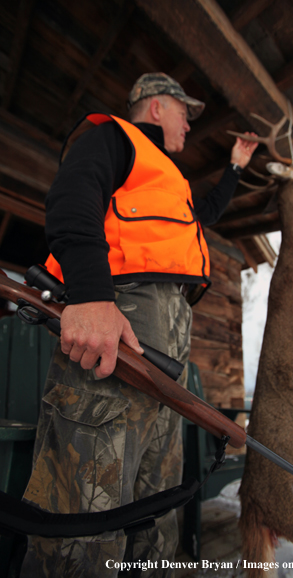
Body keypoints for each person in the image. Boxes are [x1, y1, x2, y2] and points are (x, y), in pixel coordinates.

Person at [20, 73, 258, 577]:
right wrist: (90, 294)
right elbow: (71, 198)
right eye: (183, 112)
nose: (190, 125)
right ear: (155, 107)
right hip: (120, 317)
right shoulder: (115, 139)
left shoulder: (173, 181)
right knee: (90, 496)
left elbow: (207, 212)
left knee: (159, 490)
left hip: (171, 330)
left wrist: (236, 166)